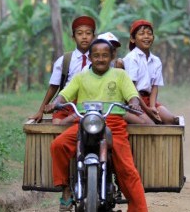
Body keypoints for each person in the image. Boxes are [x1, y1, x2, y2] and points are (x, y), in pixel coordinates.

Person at [45, 39, 149, 212]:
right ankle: (66, 190)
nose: (100, 59)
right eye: (96, 56)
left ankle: (139, 209)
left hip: (113, 123)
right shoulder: (81, 76)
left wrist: (134, 102)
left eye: (105, 55)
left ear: (112, 56)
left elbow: (132, 95)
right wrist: (56, 103)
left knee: (128, 169)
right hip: (86, 122)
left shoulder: (120, 75)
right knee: (58, 145)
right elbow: (64, 95)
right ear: (90, 57)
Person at [30, 16, 95, 124]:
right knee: (57, 125)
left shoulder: (98, 60)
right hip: (66, 104)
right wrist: (41, 110)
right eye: (79, 33)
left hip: (90, 104)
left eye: (88, 33)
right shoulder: (64, 60)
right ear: (73, 37)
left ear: (93, 36)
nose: (84, 37)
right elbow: (53, 87)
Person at [124, 20, 179, 125]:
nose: (146, 37)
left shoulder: (156, 60)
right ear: (132, 39)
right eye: (141, 34)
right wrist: (147, 110)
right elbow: (132, 88)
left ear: (153, 37)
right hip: (134, 100)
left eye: (149, 34)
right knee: (151, 125)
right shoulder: (132, 58)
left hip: (149, 99)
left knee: (171, 120)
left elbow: (154, 87)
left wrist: (152, 107)